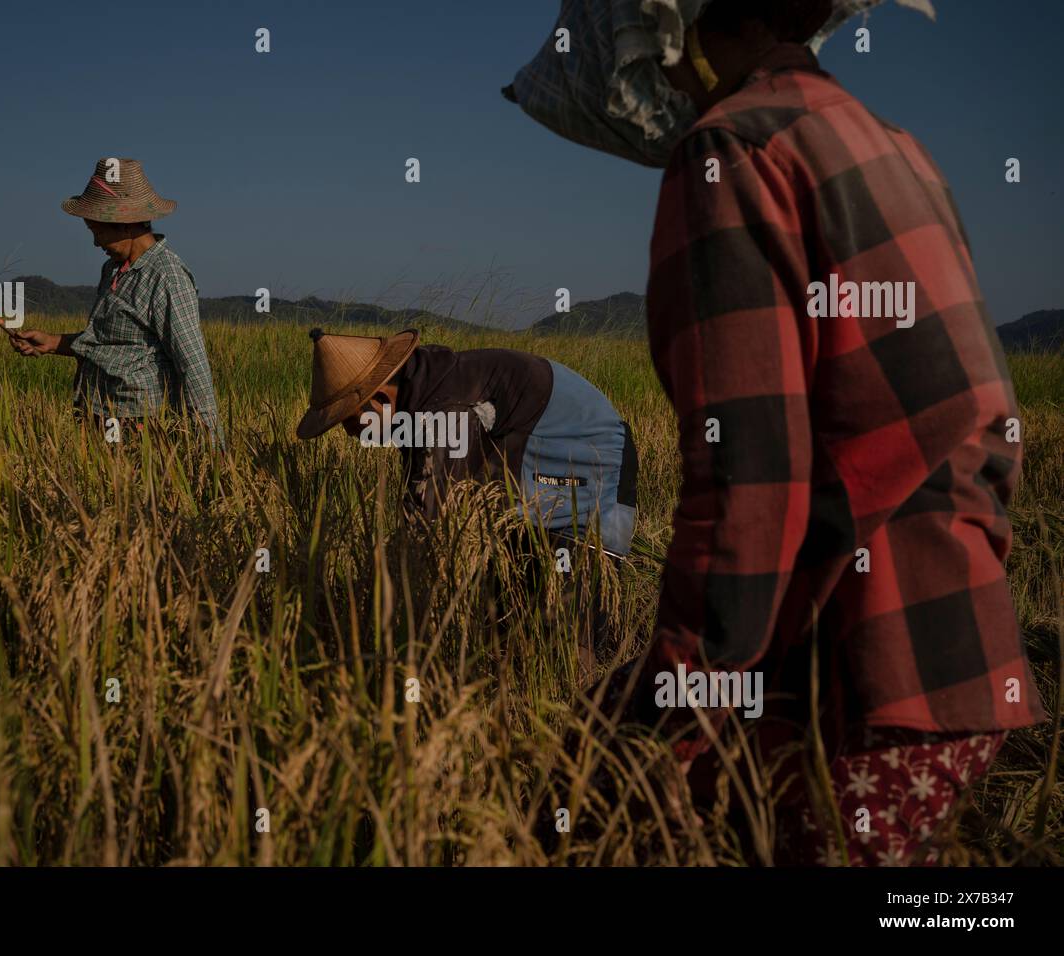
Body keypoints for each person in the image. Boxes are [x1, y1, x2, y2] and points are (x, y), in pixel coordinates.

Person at [506, 0, 1045, 865]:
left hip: (864, 679)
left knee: (574, 812)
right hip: (954, 651)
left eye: (657, 58)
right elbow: (983, 422)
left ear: (684, 25)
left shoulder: (728, 152)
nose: (664, 82)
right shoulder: (892, 145)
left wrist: (668, 715)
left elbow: (747, 481)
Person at [296, 327, 639, 663]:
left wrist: (375, 611)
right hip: (535, 480)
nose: (351, 435)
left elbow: (430, 523)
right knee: (506, 619)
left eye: (350, 421)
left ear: (381, 400)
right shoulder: (424, 394)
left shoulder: (446, 411)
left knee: (568, 638)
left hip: (592, 469)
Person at [9, 158, 221, 443]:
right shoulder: (113, 269)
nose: (96, 243)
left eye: (99, 232)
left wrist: (212, 446)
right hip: (98, 409)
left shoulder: (166, 276)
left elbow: (192, 363)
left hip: (138, 421)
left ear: (125, 224)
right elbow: (109, 344)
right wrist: (51, 343)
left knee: (129, 485)